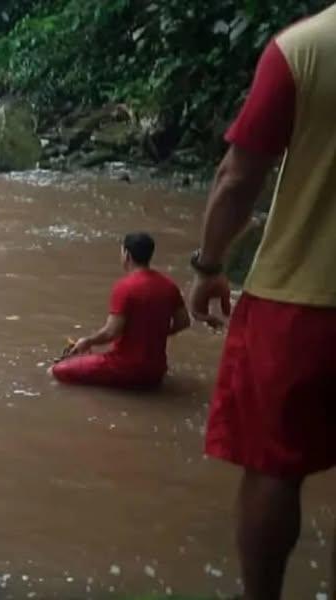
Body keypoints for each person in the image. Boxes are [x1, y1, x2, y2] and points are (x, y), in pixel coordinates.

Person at [190, 6, 336, 599]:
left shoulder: (304, 49)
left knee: (275, 468)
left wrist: (208, 265)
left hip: (301, 298)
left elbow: (237, 175)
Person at [52, 232, 190, 389]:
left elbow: (112, 332)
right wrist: (154, 334)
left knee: (56, 371)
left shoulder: (125, 287)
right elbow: (184, 322)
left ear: (127, 255)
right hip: (156, 371)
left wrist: (87, 341)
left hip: (125, 368)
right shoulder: (169, 285)